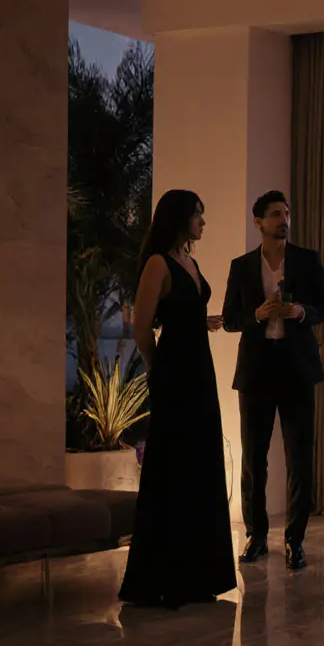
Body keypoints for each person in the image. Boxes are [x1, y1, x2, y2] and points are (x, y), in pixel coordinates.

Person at [119, 189, 237, 608]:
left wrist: (198, 320)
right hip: (175, 375)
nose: (203, 222)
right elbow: (141, 328)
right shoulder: (158, 263)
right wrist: (158, 369)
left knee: (200, 464)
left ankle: (199, 575)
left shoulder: (190, 260)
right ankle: (167, 578)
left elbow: (179, 312)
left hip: (199, 372)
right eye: (198, 216)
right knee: (175, 468)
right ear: (180, 218)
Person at [222, 190, 324, 570]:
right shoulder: (241, 266)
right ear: (258, 222)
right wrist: (256, 313)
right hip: (256, 371)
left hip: (297, 370)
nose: (283, 219)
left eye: (286, 212)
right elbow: (230, 319)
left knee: (300, 457)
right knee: (254, 459)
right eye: (275, 214)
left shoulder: (307, 260)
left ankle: (295, 539)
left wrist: (301, 310)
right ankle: (256, 534)